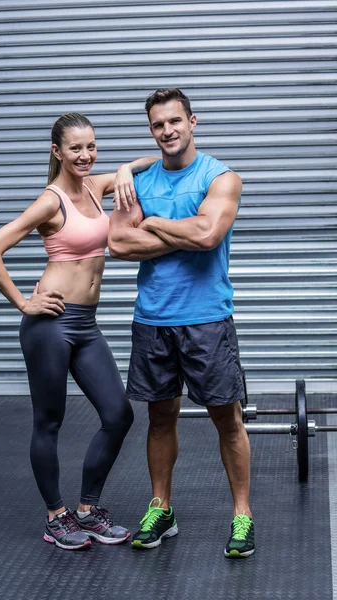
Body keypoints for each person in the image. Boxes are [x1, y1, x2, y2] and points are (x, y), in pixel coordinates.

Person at [0, 112, 158, 551]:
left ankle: (87, 511)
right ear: (57, 151)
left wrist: (124, 170)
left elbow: (153, 160)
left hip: (86, 325)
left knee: (118, 414)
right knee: (50, 421)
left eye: (91, 146)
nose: (85, 155)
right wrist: (24, 302)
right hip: (50, 325)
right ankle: (56, 516)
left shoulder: (96, 187)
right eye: (75, 148)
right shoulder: (50, 201)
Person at [108, 89, 254, 558]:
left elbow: (210, 234)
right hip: (152, 318)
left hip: (207, 319)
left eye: (174, 121)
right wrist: (178, 228)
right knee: (159, 418)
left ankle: (242, 516)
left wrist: (150, 223)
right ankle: (161, 508)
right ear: (151, 131)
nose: (167, 130)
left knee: (227, 420)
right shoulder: (141, 180)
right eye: (157, 125)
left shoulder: (221, 176)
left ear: (193, 121)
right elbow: (119, 246)